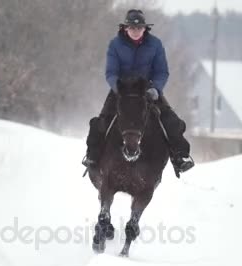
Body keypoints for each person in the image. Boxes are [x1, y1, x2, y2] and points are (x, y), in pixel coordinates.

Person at [82, 9, 195, 174]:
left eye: (139, 28)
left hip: (148, 90)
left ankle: (180, 157)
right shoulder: (115, 44)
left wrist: (156, 89)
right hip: (120, 90)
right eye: (132, 28)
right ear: (125, 28)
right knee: (102, 121)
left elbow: (162, 71)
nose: (135, 31)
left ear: (145, 29)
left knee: (171, 120)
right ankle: (93, 155)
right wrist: (118, 88)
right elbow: (111, 72)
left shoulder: (155, 44)